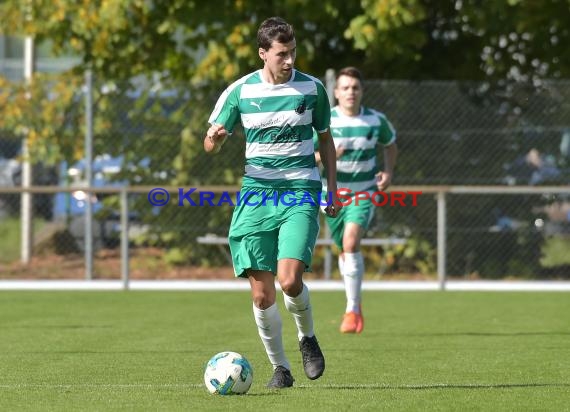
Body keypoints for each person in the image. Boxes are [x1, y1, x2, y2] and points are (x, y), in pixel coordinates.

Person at [203, 17, 341, 389]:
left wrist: (333, 188)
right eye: (282, 54)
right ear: (263, 53)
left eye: (293, 52)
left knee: (289, 279)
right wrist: (215, 137)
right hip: (256, 195)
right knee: (262, 293)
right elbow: (210, 142)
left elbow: (325, 140)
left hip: (300, 191)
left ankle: (307, 337)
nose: (289, 60)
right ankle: (280, 368)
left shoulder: (312, 89)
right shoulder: (240, 91)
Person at [314, 67, 397, 334]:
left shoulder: (375, 120)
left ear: (362, 91)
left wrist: (388, 173)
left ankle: (352, 309)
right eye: (345, 87)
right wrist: (327, 156)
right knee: (344, 249)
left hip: (364, 192)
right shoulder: (325, 121)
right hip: (333, 194)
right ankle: (354, 306)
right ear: (336, 92)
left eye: (355, 87)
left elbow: (391, 144)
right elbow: (307, 155)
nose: (350, 92)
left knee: (350, 243)